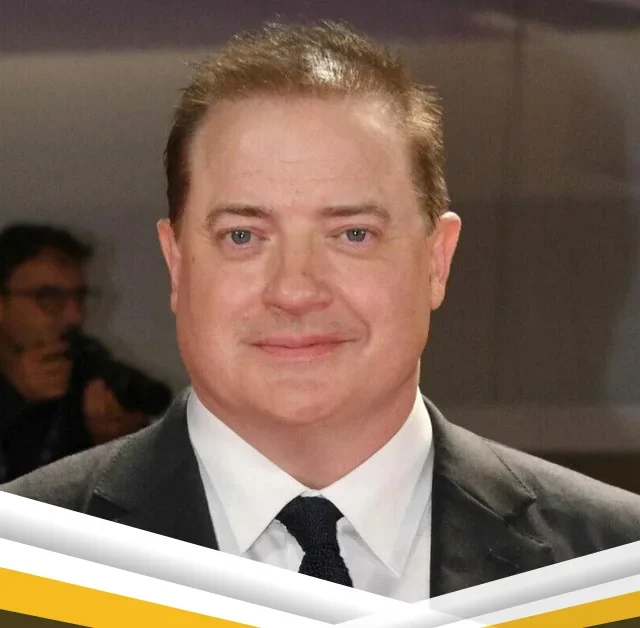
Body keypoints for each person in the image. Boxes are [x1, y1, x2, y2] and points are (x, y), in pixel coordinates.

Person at [3, 21, 640, 601]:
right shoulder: (19, 561)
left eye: (353, 234)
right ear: (176, 265)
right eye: (243, 236)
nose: (295, 290)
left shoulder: (616, 567)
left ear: (436, 261)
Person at [0, 223, 154, 482]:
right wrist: (12, 399)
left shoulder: (88, 375)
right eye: (48, 297)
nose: (75, 316)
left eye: (79, 297)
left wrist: (117, 449)